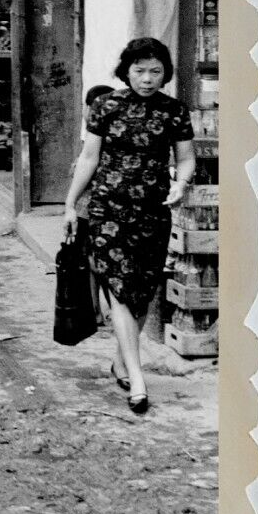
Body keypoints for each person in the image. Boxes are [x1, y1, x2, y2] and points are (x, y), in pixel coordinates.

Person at [63, 37, 196, 416]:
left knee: (141, 292)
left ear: (165, 73)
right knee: (120, 290)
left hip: (153, 211)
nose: (147, 78)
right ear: (127, 70)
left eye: (155, 71)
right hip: (109, 211)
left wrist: (180, 184)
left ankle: (122, 362)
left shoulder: (174, 111)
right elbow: (89, 158)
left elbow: (185, 159)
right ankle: (137, 380)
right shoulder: (106, 105)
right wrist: (71, 204)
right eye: (139, 70)